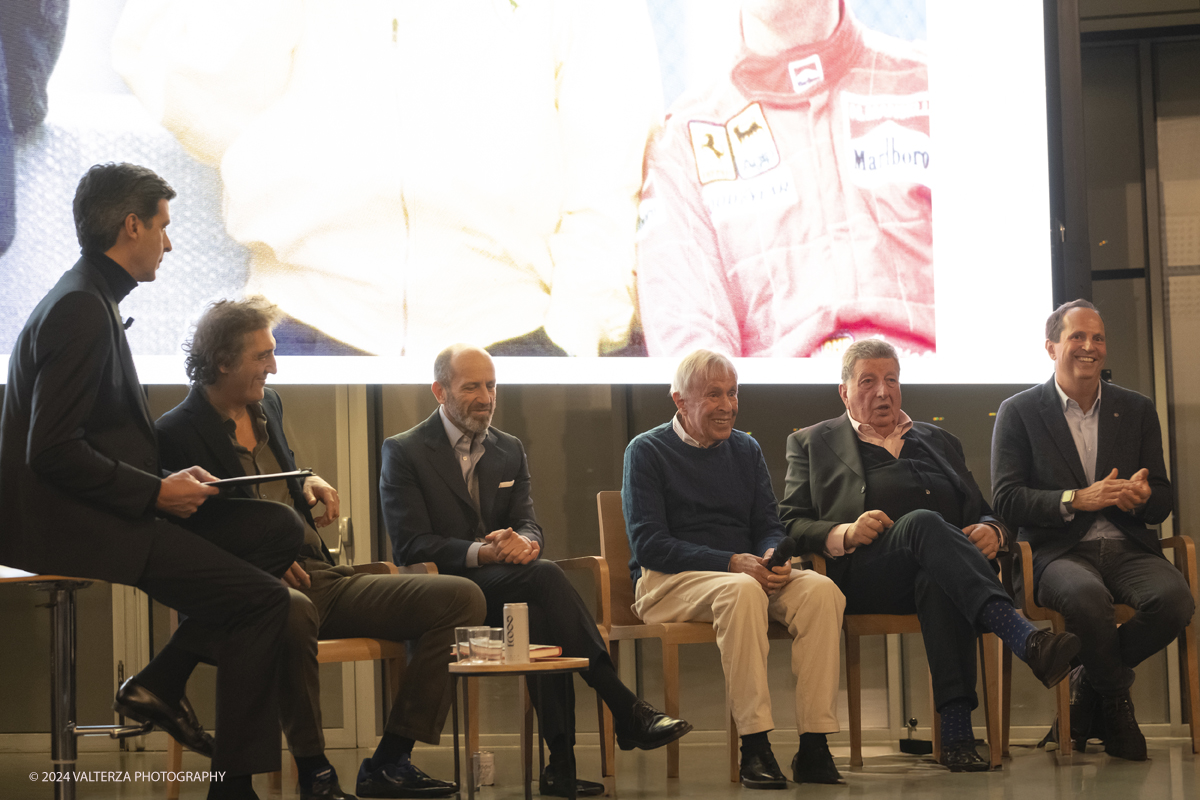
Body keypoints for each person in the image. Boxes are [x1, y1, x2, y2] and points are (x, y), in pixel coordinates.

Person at [112, 0, 661, 357]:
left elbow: (609, 168)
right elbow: (190, 97)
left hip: (518, 329)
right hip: (299, 322)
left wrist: (573, 338)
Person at [0, 162, 302, 800]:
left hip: (103, 507)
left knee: (277, 525)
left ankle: (162, 680)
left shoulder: (87, 296)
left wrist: (163, 477)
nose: (169, 242)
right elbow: (51, 450)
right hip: (76, 526)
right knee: (263, 599)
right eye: (163, 226)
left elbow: (88, 438)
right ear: (130, 225)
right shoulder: (81, 307)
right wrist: (154, 493)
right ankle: (231, 787)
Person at [157, 298, 487, 800]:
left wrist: (308, 478)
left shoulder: (269, 404)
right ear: (223, 361)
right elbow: (185, 541)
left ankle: (391, 760)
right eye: (262, 356)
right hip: (256, 592)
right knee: (286, 611)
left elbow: (276, 479)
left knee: (461, 597)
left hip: (321, 576)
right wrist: (262, 562)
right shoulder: (175, 432)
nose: (274, 365)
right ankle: (316, 771)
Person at [379, 344, 692, 797]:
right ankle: (620, 714)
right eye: (471, 387)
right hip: (443, 591)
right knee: (544, 582)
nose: (485, 397)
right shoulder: (404, 450)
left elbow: (528, 521)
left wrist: (526, 543)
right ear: (439, 391)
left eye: (491, 386)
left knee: (543, 605)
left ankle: (563, 765)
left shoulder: (509, 449)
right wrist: (482, 553)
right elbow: (411, 543)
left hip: (509, 587)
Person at [778, 339, 1081, 771]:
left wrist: (992, 531)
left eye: (891, 380)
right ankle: (1023, 637)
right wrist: (845, 531)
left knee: (939, 578)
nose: (883, 392)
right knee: (922, 521)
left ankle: (957, 739)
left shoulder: (939, 440)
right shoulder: (812, 443)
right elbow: (790, 522)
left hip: (941, 572)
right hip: (865, 574)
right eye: (868, 382)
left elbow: (982, 509)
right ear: (844, 391)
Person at [636, 0, 933, 358]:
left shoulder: (932, 89)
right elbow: (694, 366)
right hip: (778, 411)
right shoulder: (683, 145)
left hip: (944, 401)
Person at [622, 349, 846, 789]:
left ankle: (815, 745)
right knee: (741, 591)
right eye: (713, 395)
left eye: (732, 393)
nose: (727, 405)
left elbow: (767, 523)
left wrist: (768, 557)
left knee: (821, 590)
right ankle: (755, 746)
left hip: (742, 574)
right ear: (679, 401)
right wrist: (729, 562)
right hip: (667, 582)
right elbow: (650, 544)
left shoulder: (745, 448)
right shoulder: (645, 451)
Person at [991, 300, 1194, 760]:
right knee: (1086, 598)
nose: (1089, 346)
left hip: (1128, 547)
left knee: (1176, 601)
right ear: (1051, 347)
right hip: (1057, 552)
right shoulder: (1018, 412)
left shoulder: (1137, 409)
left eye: (1097, 338)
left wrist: (1144, 497)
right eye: (1077, 337)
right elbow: (1005, 500)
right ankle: (1116, 702)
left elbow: (1162, 498)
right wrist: (1074, 499)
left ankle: (1088, 693)